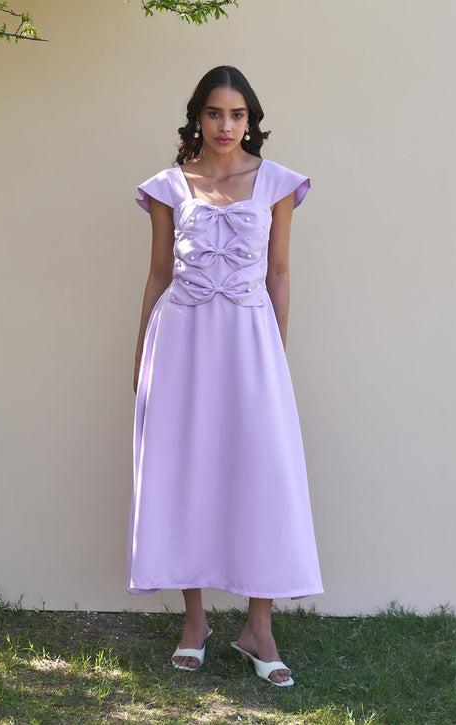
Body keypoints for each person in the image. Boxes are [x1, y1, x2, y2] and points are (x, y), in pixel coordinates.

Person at [128, 66, 323, 687]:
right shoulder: (168, 187)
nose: (226, 125)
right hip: (179, 342)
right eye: (215, 112)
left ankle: (258, 628)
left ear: (250, 121)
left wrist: (275, 355)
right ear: (198, 117)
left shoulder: (277, 184)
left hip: (249, 342)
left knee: (261, 473)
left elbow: (279, 274)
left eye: (238, 115)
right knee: (184, 471)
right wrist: (140, 357)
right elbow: (159, 275)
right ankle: (196, 622)